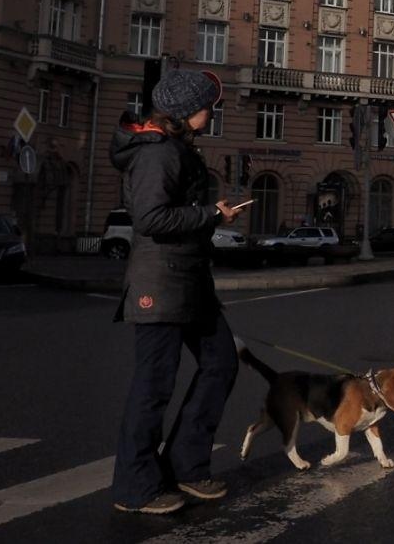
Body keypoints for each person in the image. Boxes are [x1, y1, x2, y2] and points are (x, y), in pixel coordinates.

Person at [109, 69, 241, 514]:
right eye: (207, 106)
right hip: (159, 282)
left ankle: (185, 464)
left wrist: (211, 216)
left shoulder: (176, 149)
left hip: (187, 280)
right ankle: (135, 486)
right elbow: (150, 219)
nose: (212, 111)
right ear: (185, 112)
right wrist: (209, 215)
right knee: (153, 386)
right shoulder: (158, 153)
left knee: (221, 362)